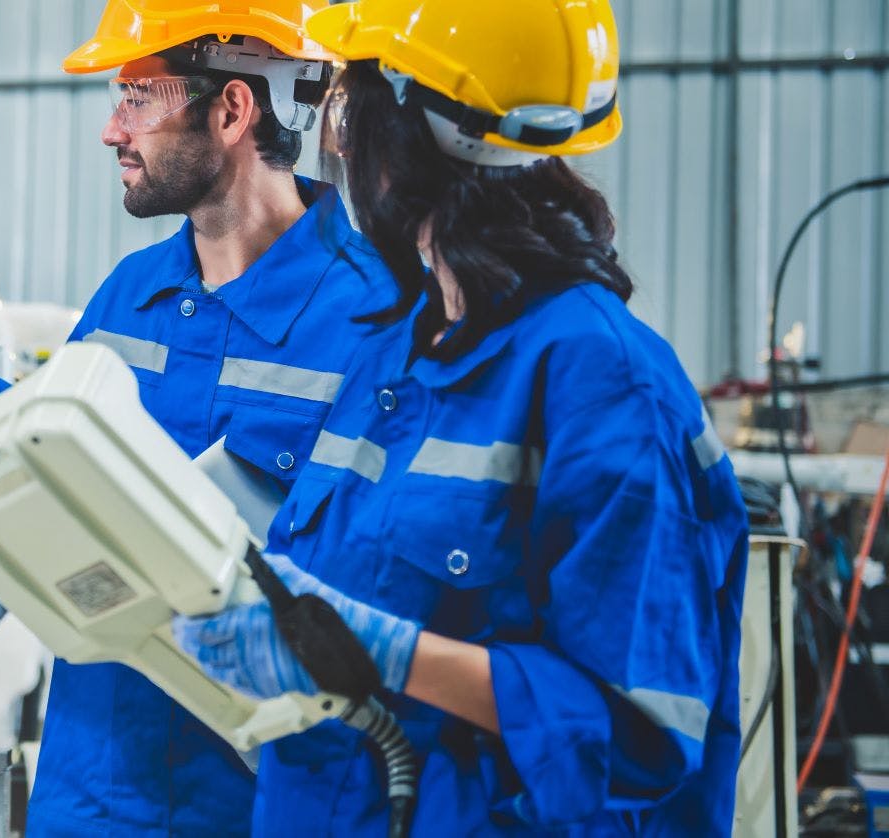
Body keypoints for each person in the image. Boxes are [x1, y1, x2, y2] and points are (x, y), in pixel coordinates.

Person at [0, 3, 400, 833]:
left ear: (232, 111)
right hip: (97, 785)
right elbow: (41, 448)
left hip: (269, 799)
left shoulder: (379, 321)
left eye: (138, 99)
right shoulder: (129, 297)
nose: (113, 131)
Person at [173, 0, 750, 834]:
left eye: (350, 102)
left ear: (413, 132)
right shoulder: (399, 351)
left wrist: (386, 656)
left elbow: (641, 735)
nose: (337, 138)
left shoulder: (599, 378)